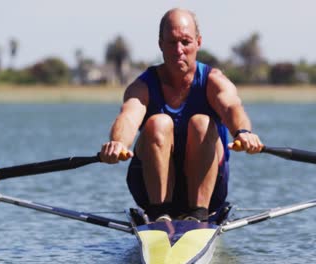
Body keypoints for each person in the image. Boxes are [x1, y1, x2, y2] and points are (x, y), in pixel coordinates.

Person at [99, 8, 263, 222]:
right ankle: (159, 216)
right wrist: (117, 143)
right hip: (150, 188)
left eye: (185, 42)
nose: (179, 50)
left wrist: (243, 132)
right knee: (158, 123)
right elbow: (129, 116)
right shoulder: (143, 86)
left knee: (201, 123)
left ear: (198, 43)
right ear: (160, 44)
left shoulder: (214, 81)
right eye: (171, 42)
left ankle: (198, 215)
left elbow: (231, 107)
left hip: (209, 189)